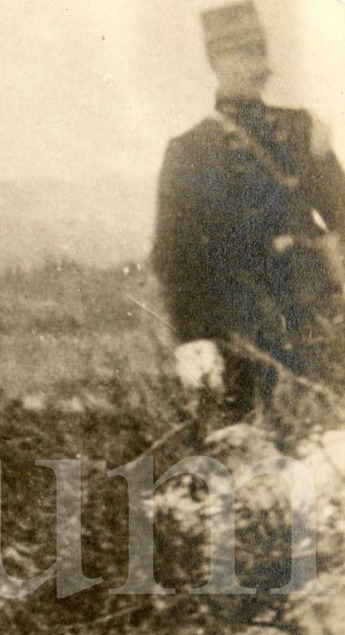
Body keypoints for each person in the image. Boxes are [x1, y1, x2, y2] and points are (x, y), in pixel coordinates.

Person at [151, 0, 345, 421]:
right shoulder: (189, 150)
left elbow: (341, 213)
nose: (254, 64)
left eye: (258, 51)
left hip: (312, 311)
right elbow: (173, 257)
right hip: (238, 325)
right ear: (216, 63)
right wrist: (192, 340)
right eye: (239, 54)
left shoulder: (301, 129)